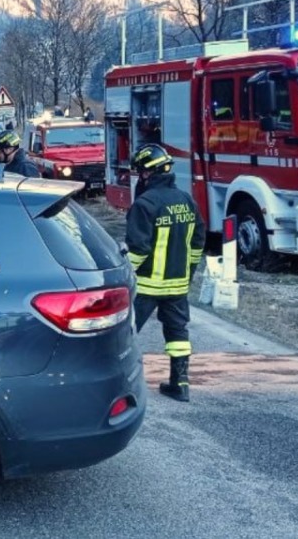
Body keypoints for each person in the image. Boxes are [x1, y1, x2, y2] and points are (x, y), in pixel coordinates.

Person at [124, 144, 205, 402]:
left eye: (140, 172)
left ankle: (120, 384)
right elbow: (197, 244)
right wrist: (187, 274)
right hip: (178, 285)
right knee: (178, 334)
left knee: (124, 333)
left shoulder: (145, 203)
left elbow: (138, 249)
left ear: (148, 173)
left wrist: (124, 276)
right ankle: (180, 384)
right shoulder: (186, 200)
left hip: (146, 286)